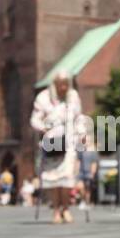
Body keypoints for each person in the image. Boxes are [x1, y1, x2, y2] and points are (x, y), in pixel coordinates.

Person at [30, 69, 86, 224]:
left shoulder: (73, 96)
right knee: (53, 179)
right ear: (54, 84)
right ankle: (56, 210)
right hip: (51, 142)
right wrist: (43, 127)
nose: (63, 87)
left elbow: (79, 117)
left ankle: (66, 208)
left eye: (65, 84)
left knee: (67, 177)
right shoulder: (43, 98)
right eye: (60, 84)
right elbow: (34, 119)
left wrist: (82, 134)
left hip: (69, 141)